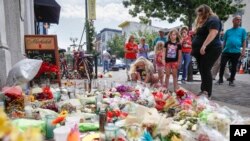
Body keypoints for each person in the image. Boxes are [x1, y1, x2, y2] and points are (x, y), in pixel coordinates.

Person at [192, 4, 222, 98]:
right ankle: (203, 90)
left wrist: (204, 45)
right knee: (202, 69)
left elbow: (213, 33)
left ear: (205, 12)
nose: (199, 16)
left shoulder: (213, 19)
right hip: (202, 51)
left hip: (211, 49)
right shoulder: (205, 21)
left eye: (201, 13)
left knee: (205, 68)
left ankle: (207, 92)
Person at [217, 15, 247, 86]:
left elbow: (244, 41)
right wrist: (221, 50)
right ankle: (220, 79)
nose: (239, 21)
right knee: (222, 64)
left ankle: (231, 81)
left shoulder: (243, 30)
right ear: (233, 21)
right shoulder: (228, 31)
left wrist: (243, 51)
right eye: (237, 19)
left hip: (236, 52)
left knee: (234, 66)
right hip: (226, 51)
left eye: (240, 20)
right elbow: (224, 42)